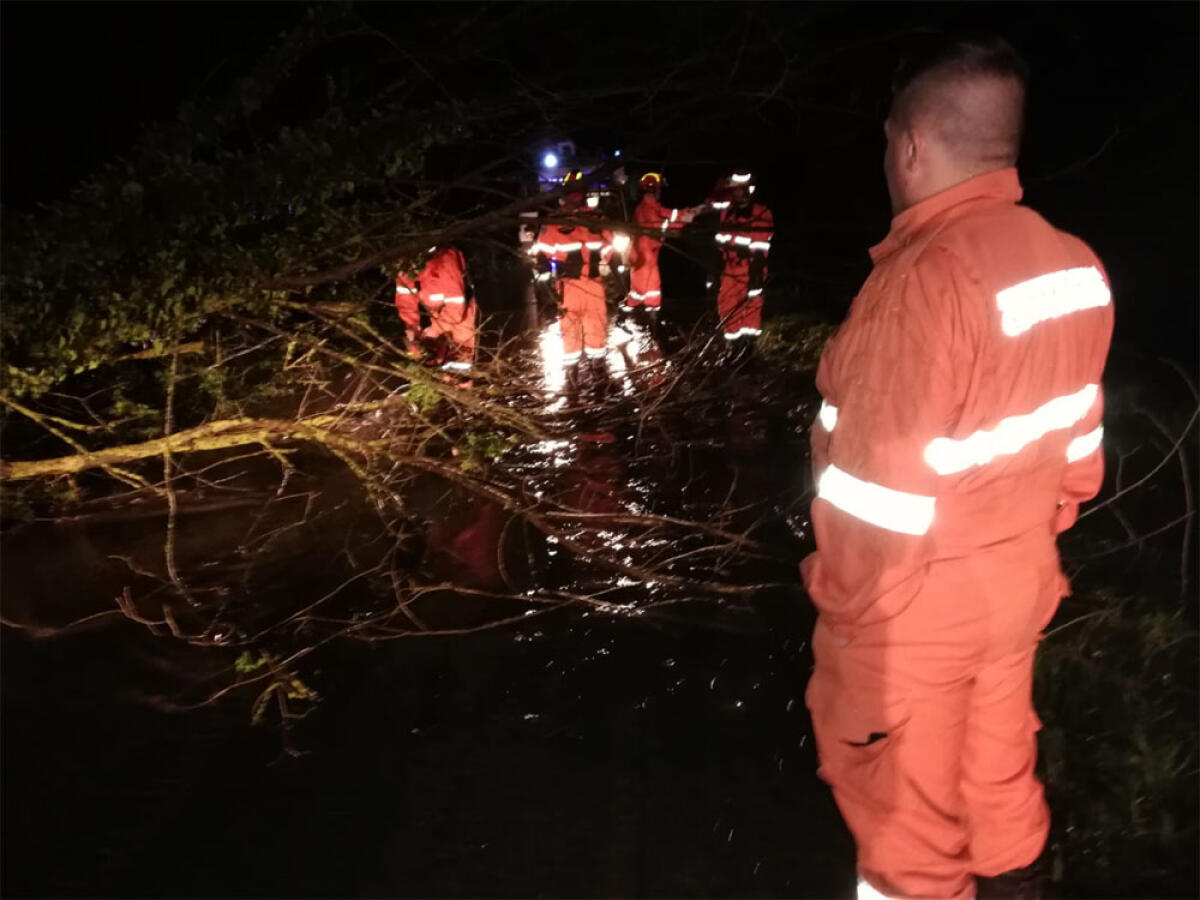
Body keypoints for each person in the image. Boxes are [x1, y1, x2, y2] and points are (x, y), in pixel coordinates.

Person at [801, 35, 1114, 900]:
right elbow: (1081, 445)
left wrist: (849, 607)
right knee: (996, 784)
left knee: (906, 831)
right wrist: (1027, 544)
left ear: (909, 144)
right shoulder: (1074, 263)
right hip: (1018, 583)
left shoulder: (922, 280)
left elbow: (876, 489)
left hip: (914, 610)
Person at [532, 170, 616, 393]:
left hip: (568, 287)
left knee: (571, 331)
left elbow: (545, 253)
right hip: (592, 285)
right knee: (595, 329)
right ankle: (599, 379)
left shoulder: (554, 222)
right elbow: (610, 250)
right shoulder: (597, 219)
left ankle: (573, 382)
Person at [711, 171, 773, 358]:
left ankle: (748, 351)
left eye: (741, 189)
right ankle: (734, 349)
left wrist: (756, 277)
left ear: (748, 190)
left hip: (750, 268)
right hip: (729, 269)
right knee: (728, 306)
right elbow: (720, 242)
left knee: (751, 309)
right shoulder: (727, 213)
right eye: (735, 190)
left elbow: (761, 245)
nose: (738, 193)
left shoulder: (761, 212)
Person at [622, 172, 698, 324]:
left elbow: (668, 214)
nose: (660, 193)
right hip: (644, 252)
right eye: (658, 189)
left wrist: (687, 213)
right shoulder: (645, 207)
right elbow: (660, 225)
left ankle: (649, 315)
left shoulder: (650, 205)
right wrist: (682, 221)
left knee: (651, 286)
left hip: (647, 252)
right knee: (643, 286)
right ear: (653, 190)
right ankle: (632, 315)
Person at [394, 245, 477, 374]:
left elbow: (455, 308)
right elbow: (406, 297)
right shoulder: (414, 264)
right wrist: (417, 328)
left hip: (458, 320)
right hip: (453, 320)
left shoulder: (443, 261)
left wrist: (417, 328)